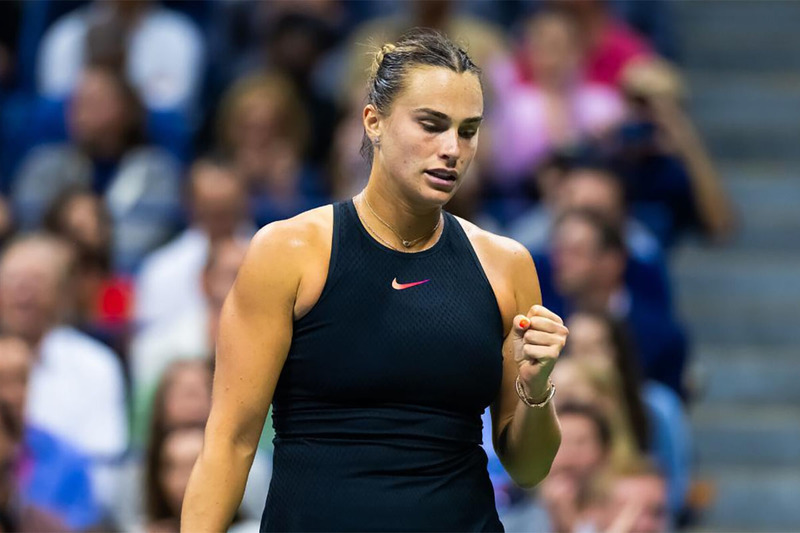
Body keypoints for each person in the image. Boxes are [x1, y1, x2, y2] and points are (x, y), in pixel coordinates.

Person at [182, 29, 569, 532]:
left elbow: (529, 468)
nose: (452, 148)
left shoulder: (507, 264)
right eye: (431, 124)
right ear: (373, 122)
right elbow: (230, 443)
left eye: (468, 130)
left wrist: (537, 387)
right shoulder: (288, 252)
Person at [0, 335, 101, 530]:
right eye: (2, 380)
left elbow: (83, 526)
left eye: (20, 380)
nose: (10, 395)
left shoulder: (70, 460)